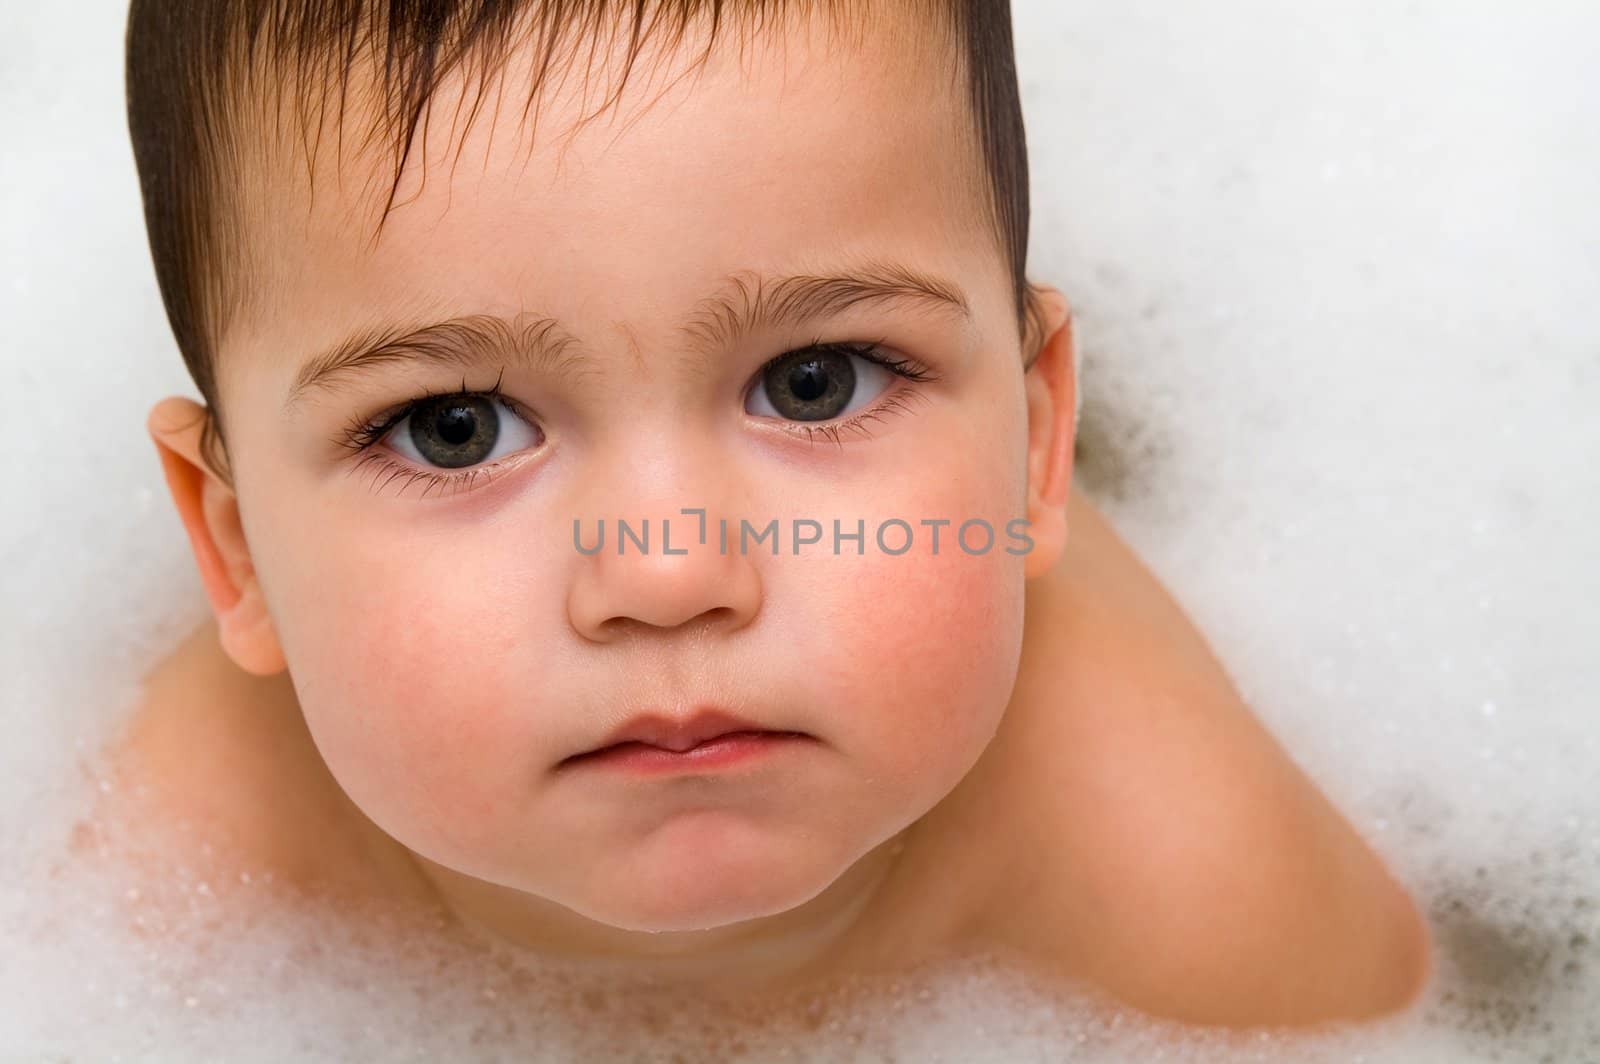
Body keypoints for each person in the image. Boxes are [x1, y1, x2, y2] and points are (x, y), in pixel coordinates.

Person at [108, 0, 1430, 1029]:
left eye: (815, 384)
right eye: (455, 428)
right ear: (235, 552)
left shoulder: (1180, 871)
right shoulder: (170, 882)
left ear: (1035, 443)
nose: (672, 571)